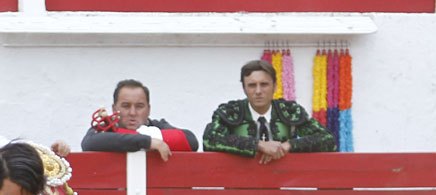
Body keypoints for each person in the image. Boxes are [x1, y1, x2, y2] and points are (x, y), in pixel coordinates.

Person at [203, 59, 335, 164]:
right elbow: (209, 140)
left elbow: (328, 140)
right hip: (240, 185)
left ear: (275, 86)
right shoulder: (230, 111)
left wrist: (287, 146)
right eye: (252, 85)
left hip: (284, 183)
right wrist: (258, 145)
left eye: (264, 84)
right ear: (244, 88)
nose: (258, 91)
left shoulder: (289, 111)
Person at [81, 79, 198, 161]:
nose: (133, 112)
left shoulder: (158, 126)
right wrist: (148, 142)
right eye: (126, 106)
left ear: (148, 109)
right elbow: (89, 142)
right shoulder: (107, 127)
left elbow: (190, 140)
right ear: (114, 109)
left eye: (139, 106)